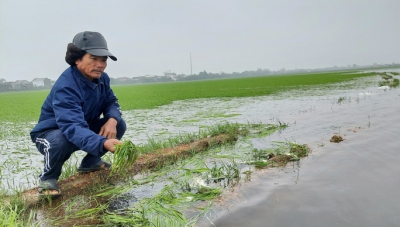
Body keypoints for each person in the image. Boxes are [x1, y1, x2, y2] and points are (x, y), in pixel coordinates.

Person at [30, 31, 126, 197]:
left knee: (119, 124)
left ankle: (91, 162)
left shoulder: (103, 79)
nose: (100, 64)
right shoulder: (66, 87)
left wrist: (112, 120)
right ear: (77, 58)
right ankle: (48, 178)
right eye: (94, 58)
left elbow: (111, 102)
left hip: (81, 126)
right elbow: (71, 126)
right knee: (60, 141)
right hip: (52, 132)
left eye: (103, 60)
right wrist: (103, 142)